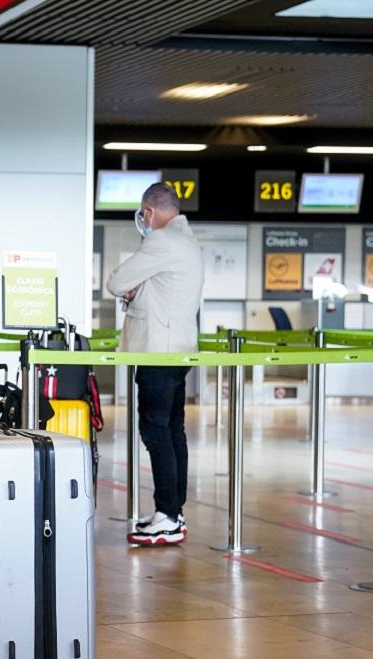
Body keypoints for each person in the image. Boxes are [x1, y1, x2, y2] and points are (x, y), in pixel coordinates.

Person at [106, 183, 204, 546]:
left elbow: (117, 282)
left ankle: (167, 514)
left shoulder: (161, 242)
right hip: (179, 351)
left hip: (157, 353)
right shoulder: (189, 242)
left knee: (155, 430)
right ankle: (173, 512)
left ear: (149, 212)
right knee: (173, 431)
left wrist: (135, 286)